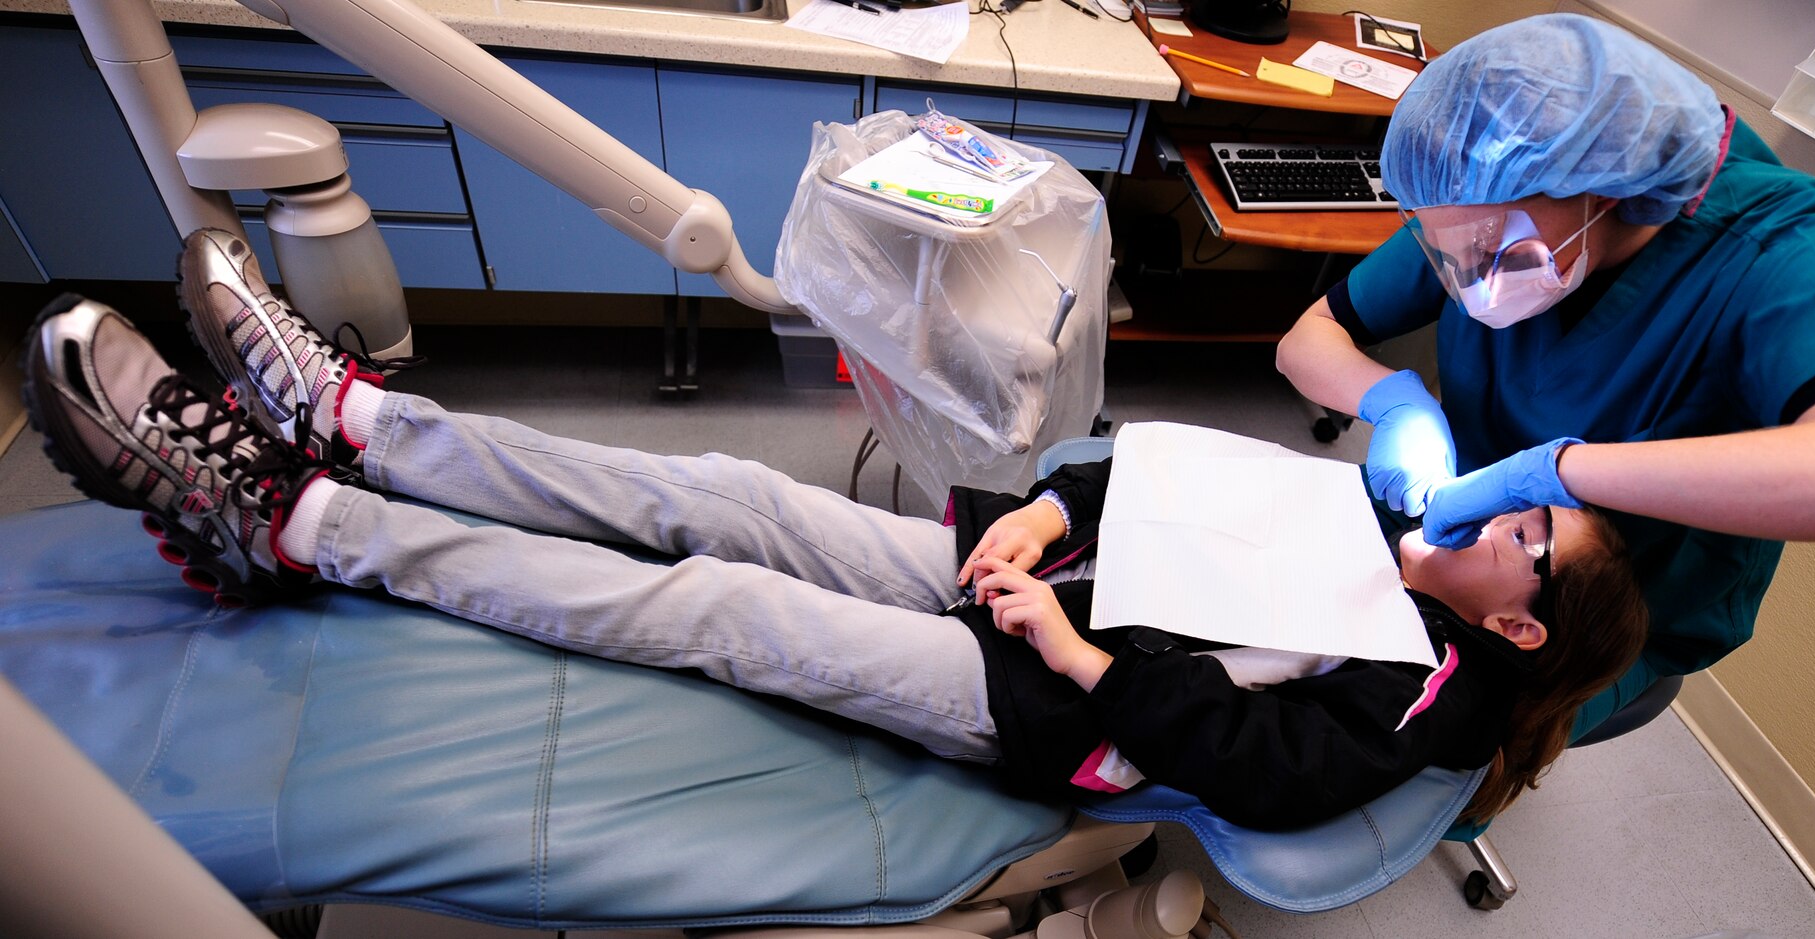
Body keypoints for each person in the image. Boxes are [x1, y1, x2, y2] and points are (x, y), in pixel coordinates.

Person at [24, 231, 1649, 830]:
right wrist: (1030, 519)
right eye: (1535, 492)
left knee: (715, 604)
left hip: (1045, 697)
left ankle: (292, 520)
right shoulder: (1382, 501)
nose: (1508, 503)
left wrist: (1065, 642)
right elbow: (1156, 485)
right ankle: (358, 419)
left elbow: (1253, 757)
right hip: (1022, 578)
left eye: (1537, 537)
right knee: (718, 493)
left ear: (1519, 620)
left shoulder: (1419, 695)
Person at [1275, 14, 1815, 734]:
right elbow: (1306, 341)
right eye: (1453, 242)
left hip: (1602, 618)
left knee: (1442, 751)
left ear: (1599, 187)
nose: (1467, 269)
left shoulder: (1780, 252)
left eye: (1488, 240)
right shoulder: (1480, 196)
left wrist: (1556, 476)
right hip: (1463, 536)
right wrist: (1391, 401)